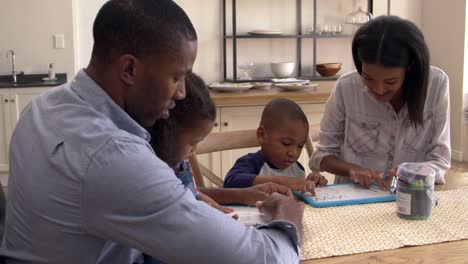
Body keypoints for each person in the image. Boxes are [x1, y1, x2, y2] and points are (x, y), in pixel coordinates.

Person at [0, 1, 303, 263]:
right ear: (129, 70)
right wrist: (288, 218)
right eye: (176, 77)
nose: (182, 93)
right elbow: (264, 258)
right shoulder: (111, 155)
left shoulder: (43, 107)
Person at [310, 16, 450, 189]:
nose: (379, 89)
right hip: (352, 200)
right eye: (368, 78)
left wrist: (412, 172)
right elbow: (321, 156)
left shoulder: (435, 85)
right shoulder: (347, 87)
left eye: (390, 82)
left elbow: (440, 160)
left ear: (411, 67)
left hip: (411, 196)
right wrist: (353, 170)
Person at [150, 72, 293, 214]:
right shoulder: (153, 175)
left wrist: (243, 195)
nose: (194, 150)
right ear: (167, 132)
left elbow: (191, 192)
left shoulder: (178, 163)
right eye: (193, 143)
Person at [223, 98, 328, 194]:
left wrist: (311, 183)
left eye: (300, 146)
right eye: (286, 143)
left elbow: (297, 196)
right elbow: (230, 183)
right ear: (262, 135)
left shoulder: (296, 168)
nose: (294, 153)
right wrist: (282, 181)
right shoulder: (251, 163)